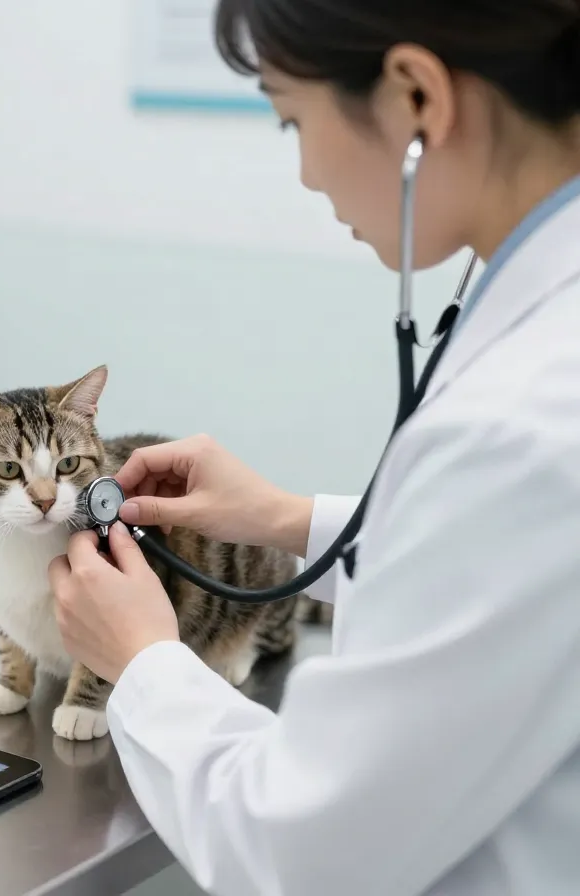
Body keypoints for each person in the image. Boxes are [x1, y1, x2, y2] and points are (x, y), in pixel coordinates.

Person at [46, 2, 580, 894]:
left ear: (416, 96)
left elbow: (299, 850)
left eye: (292, 117)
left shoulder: (521, 428)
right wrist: (290, 520)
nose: (303, 173)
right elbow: (496, 574)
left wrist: (143, 663)